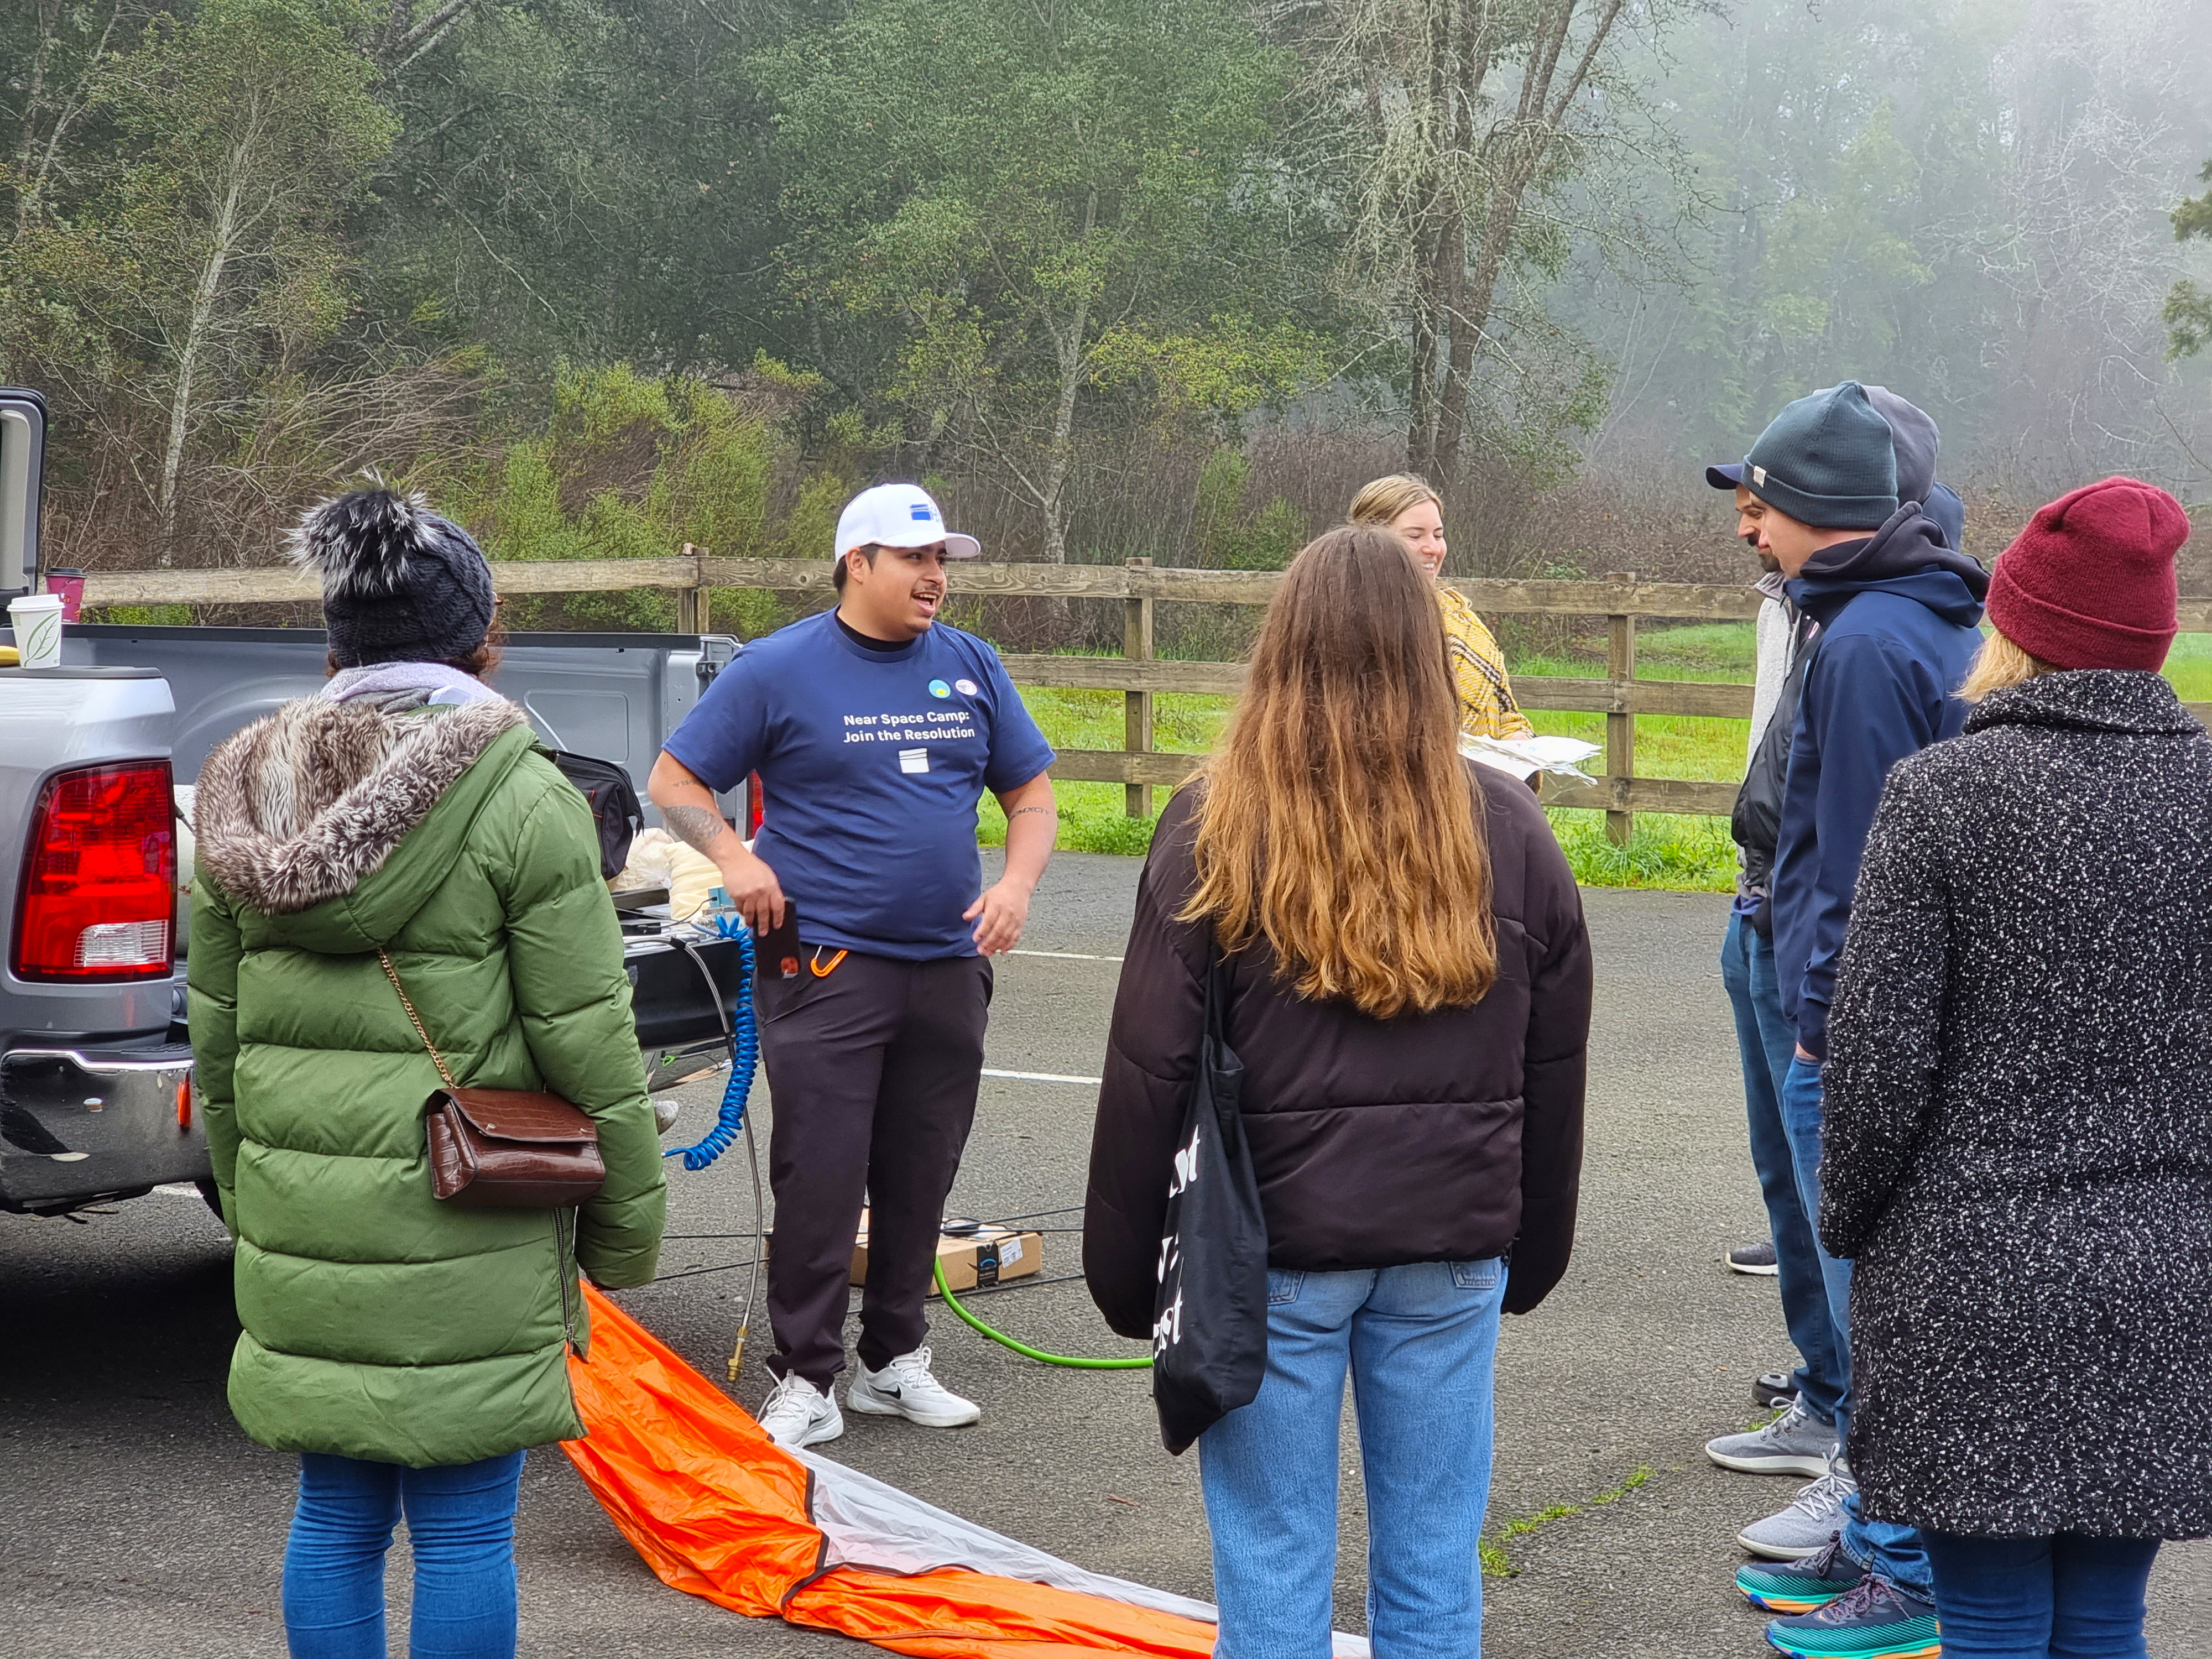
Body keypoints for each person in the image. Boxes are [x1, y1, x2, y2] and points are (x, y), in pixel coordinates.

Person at [1083, 524, 1592, 1657]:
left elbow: (1146, 1072)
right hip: (1450, 1246)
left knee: (1269, 1558)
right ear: (1424, 653)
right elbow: (1552, 1068)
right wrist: (1532, 1248)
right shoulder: (1511, 829)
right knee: (1429, 1554)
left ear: (1282, 647)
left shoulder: (1213, 823)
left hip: (1270, 1253)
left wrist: (1127, 1280)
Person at [190, 484, 668, 1659]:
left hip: (304, 1216)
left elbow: (217, 1036)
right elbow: (586, 1038)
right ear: (483, 637)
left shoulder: (240, 782)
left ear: (333, 638)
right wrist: (625, 1227)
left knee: (334, 1516)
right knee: (463, 1534)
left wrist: (255, 1205)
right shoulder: (521, 791)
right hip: (473, 1211)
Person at [1820, 477, 2205, 1658]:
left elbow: (1876, 1059)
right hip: (2163, 1273)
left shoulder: (1940, 794)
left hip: (1963, 1275)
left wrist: (1846, 1218)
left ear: (2016, 627)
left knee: (1986, 1617)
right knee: (2103, 1618)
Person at [648, 482, 1056, 1449]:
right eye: (914, 559)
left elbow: (1032, 793)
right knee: (822, 1174)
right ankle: (805, 1375)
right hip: (830, 965)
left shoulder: (972, 666)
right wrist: (739, 860)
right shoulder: (778, 667)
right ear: (856, 564)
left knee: (923, 1169)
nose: (934, 577)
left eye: (942, 561)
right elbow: (676, 778)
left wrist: (1018, 886)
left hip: (950, 964)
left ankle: (893, 1361)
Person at [1714, 383, 1986, 1659]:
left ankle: (1902, 1562)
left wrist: (1826, 1024)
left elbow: (1868, 860)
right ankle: (1877, 1530)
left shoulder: (1876, 639)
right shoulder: (1874, 620)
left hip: (1854, 1029)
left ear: (1820, 509)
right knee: (1875, 1295)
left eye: (1759, 503)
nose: (1742, 527)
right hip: (1861, 1013)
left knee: (1877, 1302)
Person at [1349, 473, 1535, 740]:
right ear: (1371, 540)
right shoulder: (1349, 622)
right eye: (1415, 536)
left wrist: (1518, 739)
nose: (1433, 549)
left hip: (1488, 776)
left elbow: (1504, 709)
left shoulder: (1460, 617)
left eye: (1439, 535)